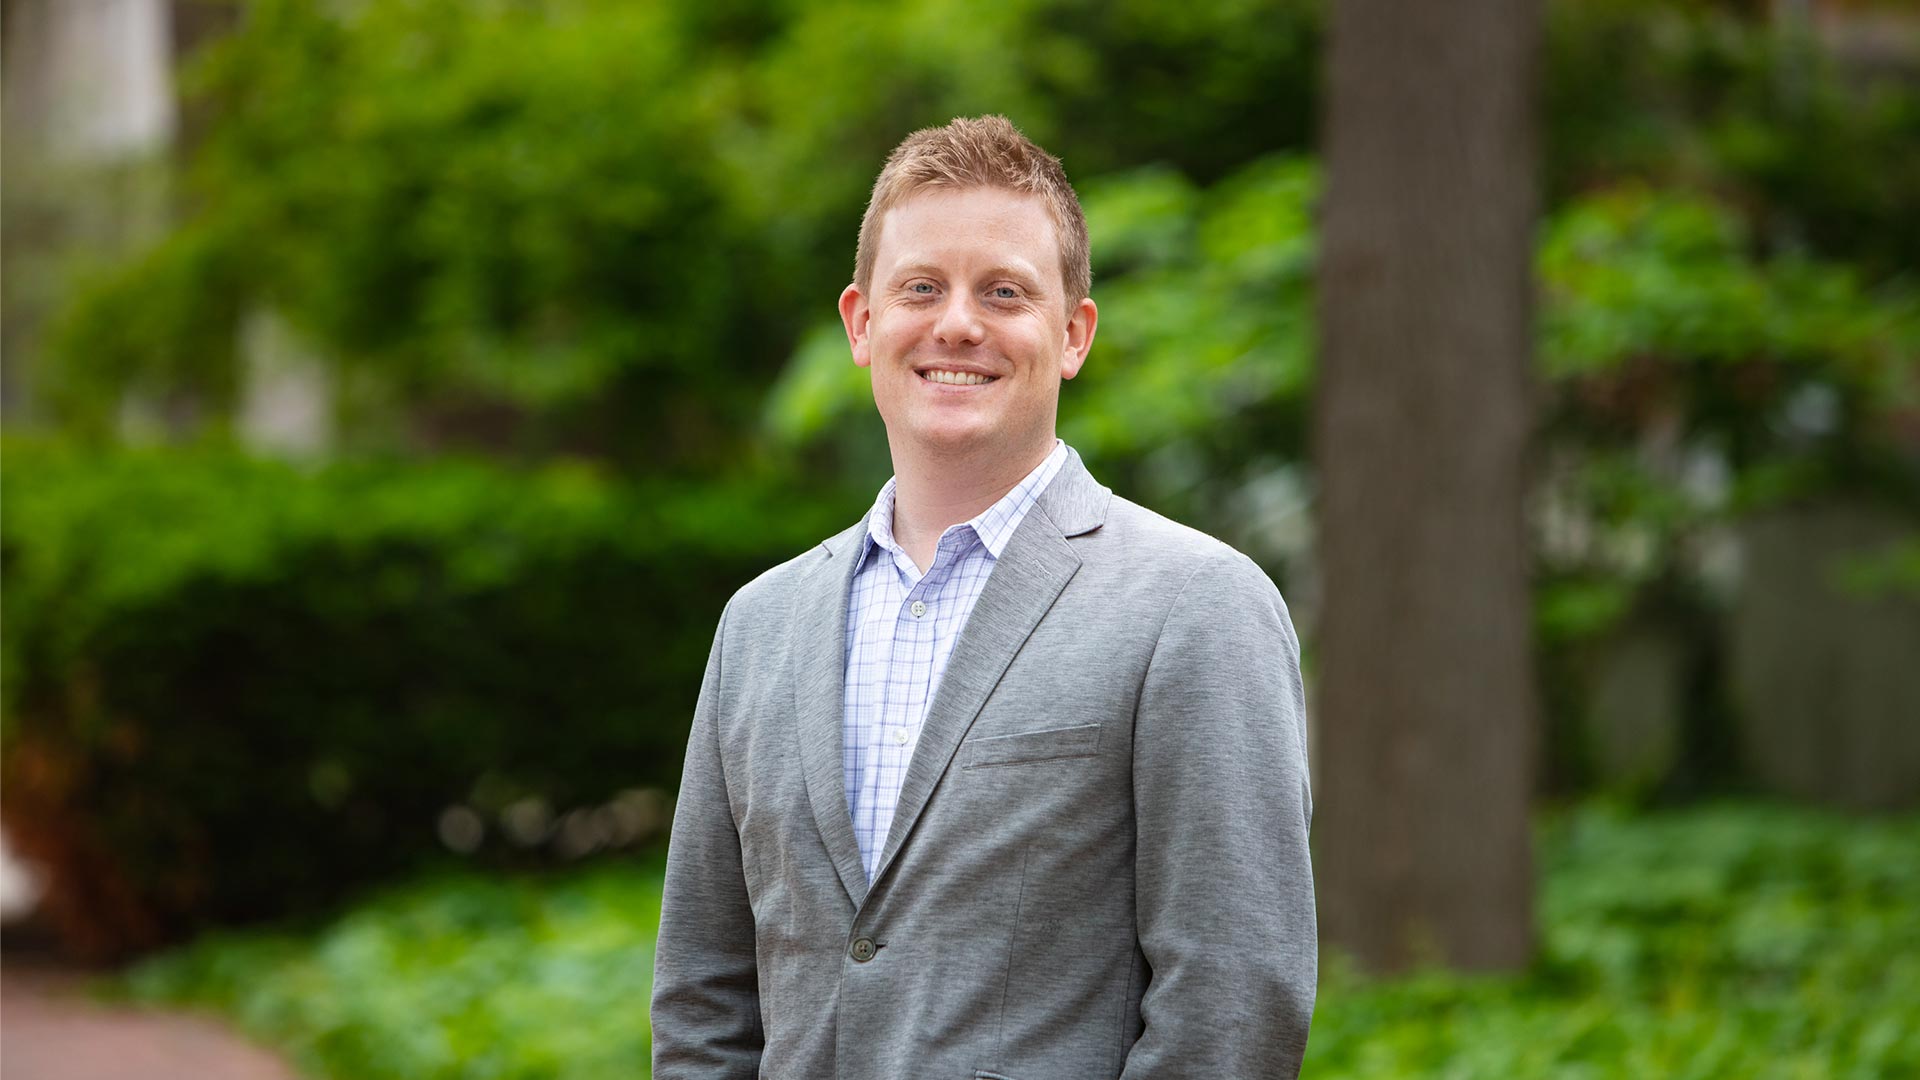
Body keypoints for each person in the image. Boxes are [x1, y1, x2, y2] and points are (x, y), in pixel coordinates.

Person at [651, 115, 1316, 1079]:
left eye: (1004, 292)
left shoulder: (1198, 605)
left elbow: (1232, 1003)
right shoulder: (759, 625)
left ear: (1074, 333)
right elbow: (704, 996)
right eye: (921, 287)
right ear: (861, 322)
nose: (956, 323)